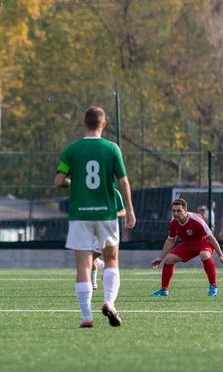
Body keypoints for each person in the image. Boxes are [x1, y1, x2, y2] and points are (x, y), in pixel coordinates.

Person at [55, 106, 136, 328]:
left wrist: (74, 183)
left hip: (80, 215)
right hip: (107, 214)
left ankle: (86, 317)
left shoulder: (72, 150)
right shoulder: (112, 149)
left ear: (84, 123)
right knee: (111, 260)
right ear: (104, 124)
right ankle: (109, 302)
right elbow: (124, 181)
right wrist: (129, 210)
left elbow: (59, 181)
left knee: (83, 266)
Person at [150, 198, 222, 297]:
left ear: (185, 210)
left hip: (203, 243)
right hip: (188, 244)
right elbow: (170, 240)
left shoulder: (197, 220)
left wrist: (220, 255)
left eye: (179, 210)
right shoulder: (173, 223)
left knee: (204, 254)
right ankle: (164, 290)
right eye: (174, 211)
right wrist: (160, 258)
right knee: (169, 259)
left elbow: (211, 238)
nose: (175, 213)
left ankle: (213, 286)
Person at [91, 188, 126, 290]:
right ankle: (104, 268)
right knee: (89, 256)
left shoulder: (114, 192)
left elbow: (123, 211)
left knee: (90, 256)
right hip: (94, 229)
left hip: (108, 231)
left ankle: (94, 282)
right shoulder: (92, 193)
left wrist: (114, 215)